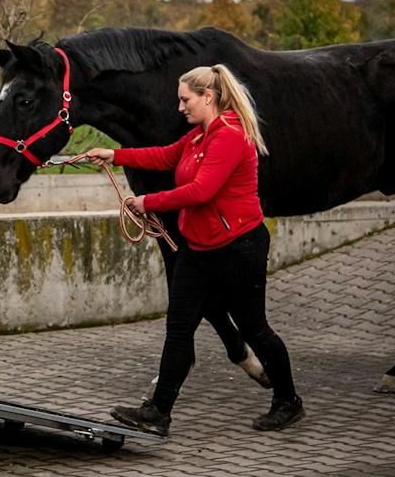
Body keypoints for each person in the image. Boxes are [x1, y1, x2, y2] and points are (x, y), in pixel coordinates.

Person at [81, 64, 303, 436]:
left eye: (186, 100)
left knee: (255, 328)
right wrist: (115, 156)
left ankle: (288, 401)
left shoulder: (230, 136)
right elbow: (165, 157)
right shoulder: (198, 136)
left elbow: (201, 191)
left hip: (238, 247)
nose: (180, 107)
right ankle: (158, 412)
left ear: (208, 97)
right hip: (199, 248)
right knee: (179, 328)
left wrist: (148, 201)